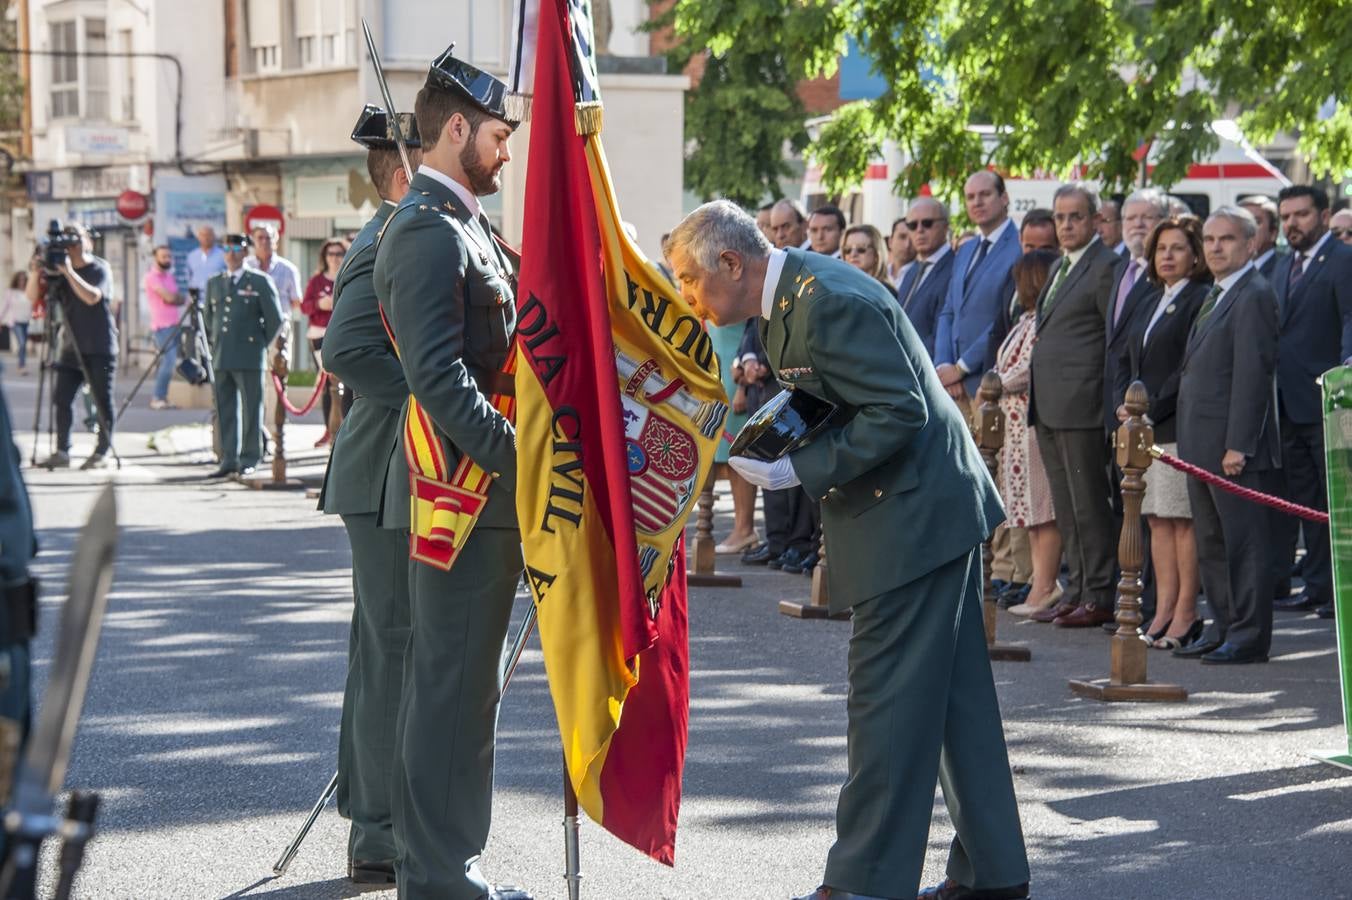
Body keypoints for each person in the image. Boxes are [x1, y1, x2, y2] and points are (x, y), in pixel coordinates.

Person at [667, 200, 1028, 900]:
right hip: (918, 510)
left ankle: (866, 882)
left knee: (885, 701)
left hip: (913, 517)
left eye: (688, 279)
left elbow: (900, 410)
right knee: (955, 703)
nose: (686, 296)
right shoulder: (790, 297)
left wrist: (801, 468)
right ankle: (994, 872)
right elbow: (826, 395)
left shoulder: (824, 300)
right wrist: (770, 440)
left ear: (731, 264)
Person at [372, 47, 531, 900]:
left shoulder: (462, 224)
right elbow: (439, 378)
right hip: (463, 496)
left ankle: (443, 870)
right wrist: (523, 461)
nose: (507, 152)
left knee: (463, 693)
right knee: (452, 692)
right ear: (458, 128)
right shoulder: (429, 230)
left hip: (478, 495)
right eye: (500, 136)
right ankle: (439, 879)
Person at [318, 104, 421, 887]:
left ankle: (377, 814)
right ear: (403, 169)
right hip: (388, 470)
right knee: (394, 652)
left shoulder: (407, 228)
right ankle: (379, 831)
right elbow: (345, 348)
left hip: (399, 470)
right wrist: (433, 397)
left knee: (391, 652)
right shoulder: (389, 233)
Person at [1173, 207, 1281, 665]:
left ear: (1251, 244)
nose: (1215, 247)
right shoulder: (1217, 293)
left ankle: (1249, 636)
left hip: (1233, 449)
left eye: (1227, 239)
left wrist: (1239, 443)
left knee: (1244, 545)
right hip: (1201, 444)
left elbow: (1253, 375)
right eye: (1210, 239)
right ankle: (1224, 626)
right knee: (1213, 544)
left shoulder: (1254, 294)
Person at [1027, 183, 1120, 628]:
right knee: (1066, 506)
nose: (1065, 225)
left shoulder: (1107, 267)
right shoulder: (1060, 266)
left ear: (1096, 220)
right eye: (1060, 217)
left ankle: (1099, 593)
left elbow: (1112, 340)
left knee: (1088, 504)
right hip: (1049, 403)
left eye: (1075, 216)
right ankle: (1079, 588)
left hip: (1082, 405)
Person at [1118, 218, 1212, 649]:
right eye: (1161, 249)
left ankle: (1186, 612)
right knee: (1156, 520)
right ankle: (1162, 610)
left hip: (1173, 423)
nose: (1167, 256)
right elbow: (1129, 360)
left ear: (1195, 255)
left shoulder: (1198, 298)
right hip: (1143, 428)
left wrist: (1149, 407)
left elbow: (1186, 367)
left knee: (1180, 521)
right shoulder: (1153, 298)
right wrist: (1125, 405)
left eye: (1177, 248)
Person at [1270, 186, 1352, 620]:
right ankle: (1319, 587)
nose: (1291, 224)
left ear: (1323, 215)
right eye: (1285, 216)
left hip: (1329, 402)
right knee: (1308, 502)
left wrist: (1346, 375)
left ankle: (1343, 593)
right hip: (1288, 403)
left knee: (1338, 504)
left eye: (1300, 214)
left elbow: (1350, 319)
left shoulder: (1343, 260)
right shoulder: (1284, 264)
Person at [998, 250, 1065, 618]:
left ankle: (1046, 584)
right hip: (1013, 427)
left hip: (1032, 422)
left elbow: (1026, 369)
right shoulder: (1024, 320)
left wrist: (995, 383)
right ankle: (1040, 582)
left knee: (1043, 508)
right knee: (1027, 510)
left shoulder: (1043, 320)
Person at [28, 223, 116, 470]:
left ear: (86, 241)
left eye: (75, 238)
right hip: (70, 347)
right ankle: (62, 451)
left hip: (100, 346)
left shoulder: (99, 268)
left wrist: (69, 273)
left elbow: (92, 297)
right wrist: (36, 272)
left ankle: (102, 451)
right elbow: (31, 296)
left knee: (102, 400)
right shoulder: (56, 270)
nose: (71, 244)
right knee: (61, 399)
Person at [934, 170, 1020, 419]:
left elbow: (1006, 317)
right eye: (970, 197)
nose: (977, 202)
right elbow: (949, 310)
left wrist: (961, 367)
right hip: (952, 389)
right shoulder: (966, 249)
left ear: (1004, 198)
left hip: (990, 385)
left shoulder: (1019, 247)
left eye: (985, 194)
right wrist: (944, 366)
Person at [204, 233, 287, 479]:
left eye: (236, 248)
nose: (231, 254)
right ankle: (228, 458)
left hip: (250, 355)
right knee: (225, 409)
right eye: (226, 249)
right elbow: (209, 319)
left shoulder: (259, 281)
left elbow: (275, 320)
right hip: (222, 355)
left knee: (251, 409)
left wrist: (258, 344)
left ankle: (250, 456)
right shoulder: (215, 282)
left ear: (245, 252)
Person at [1104, 189, 1168, 435]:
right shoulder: (1119, 269)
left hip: (1149, 407)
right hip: (1115, 404)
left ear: (1164, 222)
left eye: (1147, 217)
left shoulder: (1167, 274)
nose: (1137, 224)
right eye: (1130, 218)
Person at [302, 237, 348, 447]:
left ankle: (343, 426)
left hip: (343, 335)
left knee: (346, 384)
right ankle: (329, 429)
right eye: (331, 254)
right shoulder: (317, 281)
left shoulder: (348, 276)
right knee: (328, 384)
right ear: (324, 256)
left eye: (339, 253)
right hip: (319, 336)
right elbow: (305, 306)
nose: (334, 258)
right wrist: (320, 304)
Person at [897, 198, 954, 359]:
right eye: (912, 225)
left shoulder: (955, 268)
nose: (919, 230)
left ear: (945, 226)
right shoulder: (911, 271)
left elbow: (941, 332)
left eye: (927, 223)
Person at [143, 245, 184, 410]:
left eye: (169, 256)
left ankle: (163, 397)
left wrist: (174, 298)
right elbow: (170, 297)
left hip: (174, 324)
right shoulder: (152, 277)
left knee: (169, 362)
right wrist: (173, 298)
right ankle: (157, 397)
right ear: (156, 258)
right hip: (161, 326)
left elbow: (180, 298)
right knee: (169, 361)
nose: (167, 259)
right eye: (163, 256)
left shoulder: (169, 277)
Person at [246, 222, 302, 312]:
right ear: (253, 241)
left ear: (275, 241)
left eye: (268, 238)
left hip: (280, 319)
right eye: (260, 238)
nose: (264, 241)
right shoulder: (245, 266)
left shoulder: (289, 269)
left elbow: (296, 301)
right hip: (251, 319)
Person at [841, 224, 892, 292]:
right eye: (848, 249)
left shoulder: (886, 291)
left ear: (876, 254)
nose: (853, 254)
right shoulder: (840, 286)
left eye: (861, 248)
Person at [1239, 195, 1282, 278]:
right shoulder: (1232, 268)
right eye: (1242, 222)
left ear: (1273, 234)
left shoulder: (1286, 270)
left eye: (1256, 221)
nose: (1246, 228)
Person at [185, 225, 226, 298]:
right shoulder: (192, 256)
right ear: (198, 237)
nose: (206, 238)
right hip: (196, 298)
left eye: (209, 235)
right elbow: (188, 277)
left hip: (217, 297)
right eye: (203, 235)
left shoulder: (223, 255)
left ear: (214, 236)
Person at [1, 274, 29, 374]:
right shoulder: (11, 292)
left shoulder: (28, 291)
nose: (22, 282)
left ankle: (21, 363)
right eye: (20, 280)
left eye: (24, 280)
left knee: (23, 344)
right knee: (22, 343)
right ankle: (22, 366)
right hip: (15, 321)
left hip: (26, 321)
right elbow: (5, 306)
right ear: (16, 280)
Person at [885, 217, 916, 290]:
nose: (907, 244)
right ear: (890, 242)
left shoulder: (922, 275)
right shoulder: (880, 273)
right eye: (902, 237)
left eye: (912, 239)